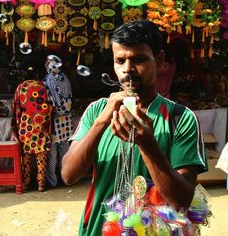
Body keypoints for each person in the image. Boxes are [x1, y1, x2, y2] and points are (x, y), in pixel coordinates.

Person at [61, 20, 207, 236]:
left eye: (138, 59)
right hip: (101, 230)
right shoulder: (97, 111)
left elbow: (181, 201)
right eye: (120, 60)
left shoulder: (180, 118)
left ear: (159, 60)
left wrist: (148, 146)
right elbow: (68, 174)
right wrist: (102, 121)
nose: (127, 69)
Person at [12, 67, 52, 192]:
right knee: (42, 156)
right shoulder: (43, 86)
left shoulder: (21, 87)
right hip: (41, 124)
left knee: (26, 157)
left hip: (27, 125)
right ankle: (41, 184)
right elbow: (50, 106)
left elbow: (17, 109)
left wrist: (17, 126)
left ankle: (26, 182)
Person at [43, 59, 73, 187]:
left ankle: (52, 181)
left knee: (52, 153)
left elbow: (53, 101)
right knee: (65, 151)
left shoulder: (49, 79)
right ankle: (65, 178)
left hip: (55, 120)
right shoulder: (64, 78)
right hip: (66, 120)